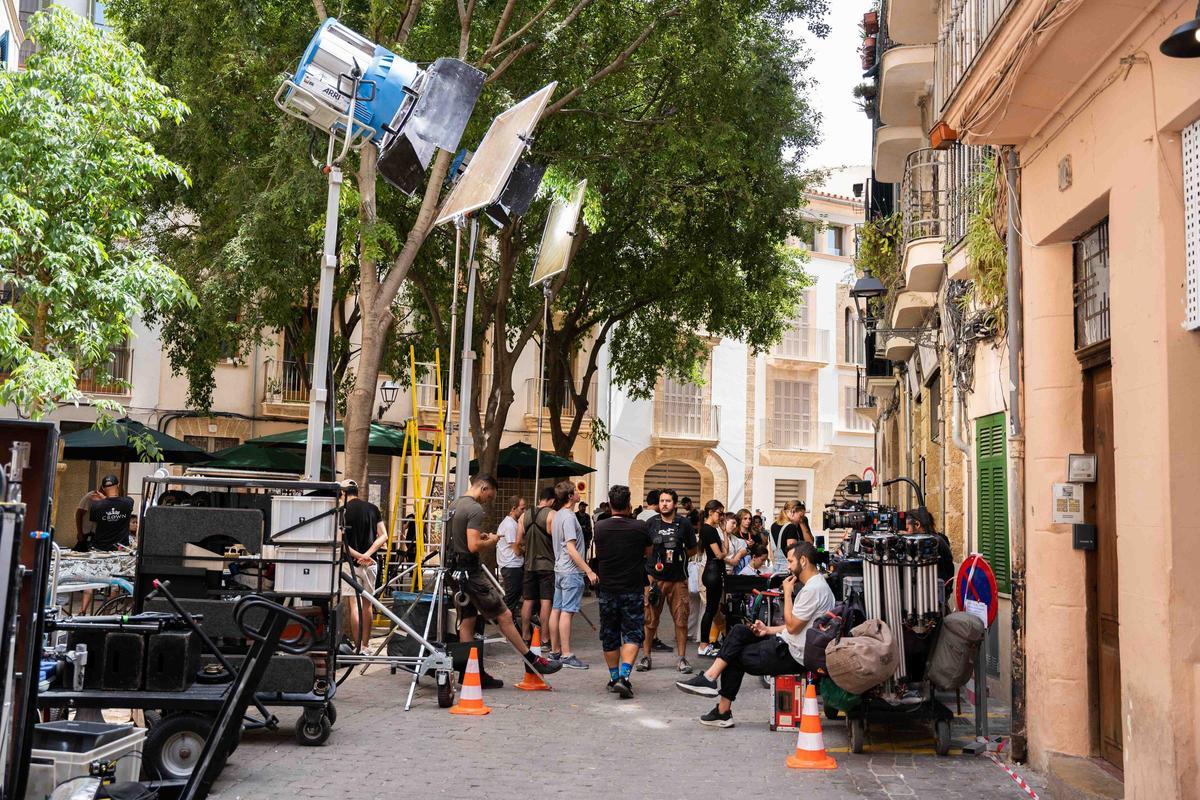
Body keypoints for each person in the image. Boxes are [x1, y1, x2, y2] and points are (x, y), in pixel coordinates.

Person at [675, 541, 835, 728]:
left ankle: (721, 707)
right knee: (739, 631)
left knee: (733, 655)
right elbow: (798, 627)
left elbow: (792, 627)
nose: (789, 567)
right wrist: (767, 630)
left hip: (794, 653)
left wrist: (787, 594)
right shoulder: (816, 585)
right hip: (791, 643)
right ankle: (711, 683)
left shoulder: (813, 589)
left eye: (791, 562)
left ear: (804, 561)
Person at [446, 474, 561, 686]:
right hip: (470, 572)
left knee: (468, 620)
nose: (488, 500)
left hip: (454, 571)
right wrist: (489, 541)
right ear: (483, 487)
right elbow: (472, 546)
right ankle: (533, 660)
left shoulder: (454, 504)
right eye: (489, 496)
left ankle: (470, 674)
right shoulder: (474, 509)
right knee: (505, 615)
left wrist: (478, 539)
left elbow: (459, 539)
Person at [593, 484, 652, 698]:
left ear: (609, 505)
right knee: (633, 633)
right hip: (632, 588)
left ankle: (613, 677)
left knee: (609, 634)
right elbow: (647, 552)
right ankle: (625, 677)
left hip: (607, 589)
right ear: (629, 504)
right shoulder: (640, 527)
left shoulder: (599, 527)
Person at [638, 488, 699, 674]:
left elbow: (693, 549)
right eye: (662, 501)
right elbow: (643, 549)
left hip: (678, 580)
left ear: (675, 503)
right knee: (649, 620)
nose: (664, 504)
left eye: (668, 501)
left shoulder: (684, 524)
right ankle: (646, 656)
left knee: (681, 620)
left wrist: (679, 559)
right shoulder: (650, 523)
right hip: (654, 580)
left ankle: (681, 658)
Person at [548, 481, 598, 668]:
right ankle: (566, 655)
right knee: (566, 612)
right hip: (570, 571)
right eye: (575, 491)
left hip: (560, 569)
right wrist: (588, 570)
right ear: (570, 496)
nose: (578, 493)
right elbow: (570, 547)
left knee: (557, 609)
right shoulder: (568, 517)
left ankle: (555, 651)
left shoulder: (558, 515)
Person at [339, 480, 388, 653]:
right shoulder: (373, 509)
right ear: (357, 491)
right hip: (371, 563)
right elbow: (384, 536)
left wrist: (359, 556)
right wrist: (367, 554)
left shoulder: (342, 511)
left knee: (354, 605)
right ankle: (366, 646)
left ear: (343, 494)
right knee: (368, 605)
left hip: (349, 564)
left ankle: (357, 646)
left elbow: (340, 541)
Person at [519, 487, 557, 645]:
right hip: (547, 564)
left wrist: (526, 553)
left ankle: (525, 635)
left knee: (528, 600)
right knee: (546, 601)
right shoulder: (552, 515)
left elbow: (517, 542)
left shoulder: (523, 515)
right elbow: (557, 541)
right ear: (552, 501)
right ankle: (545, 637)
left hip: (529, 565)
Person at [697, 499, 727, 658]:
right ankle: (703, 645)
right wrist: (722, 554)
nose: (721, 517)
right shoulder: (708, 530)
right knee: (710, 610)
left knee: (712, 609)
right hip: (712, 572)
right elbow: (720, 554)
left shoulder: (712, 529)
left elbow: (725, 551)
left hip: (713, 571)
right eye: (719, 513)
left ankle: (705, 644)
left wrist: (725, 532)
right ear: (710, 512)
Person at [906, 507, 955, 592]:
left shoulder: (932, 542)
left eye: (907, 529)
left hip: (933, 594)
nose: (906, 533)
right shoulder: (937, 538)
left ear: (917, 525)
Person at [496, 495, 526, 620]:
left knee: (514, 595)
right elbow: (516, 549)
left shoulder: (513, 523)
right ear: (514, 508)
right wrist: (525, 550)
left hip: (512, 565)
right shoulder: (510, 525)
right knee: (511, 597)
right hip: (511, 566)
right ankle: (507, 623)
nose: (524, 512)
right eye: (522, 509)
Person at [89, 475, 134, 551]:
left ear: (103, 488)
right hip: (120, 550)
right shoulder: (128, 502)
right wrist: (105, 499)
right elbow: (114, 502)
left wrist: (104, 500)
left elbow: (94, 527)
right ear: (118, 485)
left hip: (101, 550)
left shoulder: (96, 506)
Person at [768, 500, 813, 574]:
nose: (801, 518)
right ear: (793, 512)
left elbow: (771, 551)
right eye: (800, 515)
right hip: (790, 570)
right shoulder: (791, 527)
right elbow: (792, 553)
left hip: (776, 569)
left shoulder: (773, 525)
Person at [74, 481, 104, 551]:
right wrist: (80, 532)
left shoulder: (106, 499)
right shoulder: (91, 496)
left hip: (97, 533)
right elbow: (79, 514)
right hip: (86, 532)